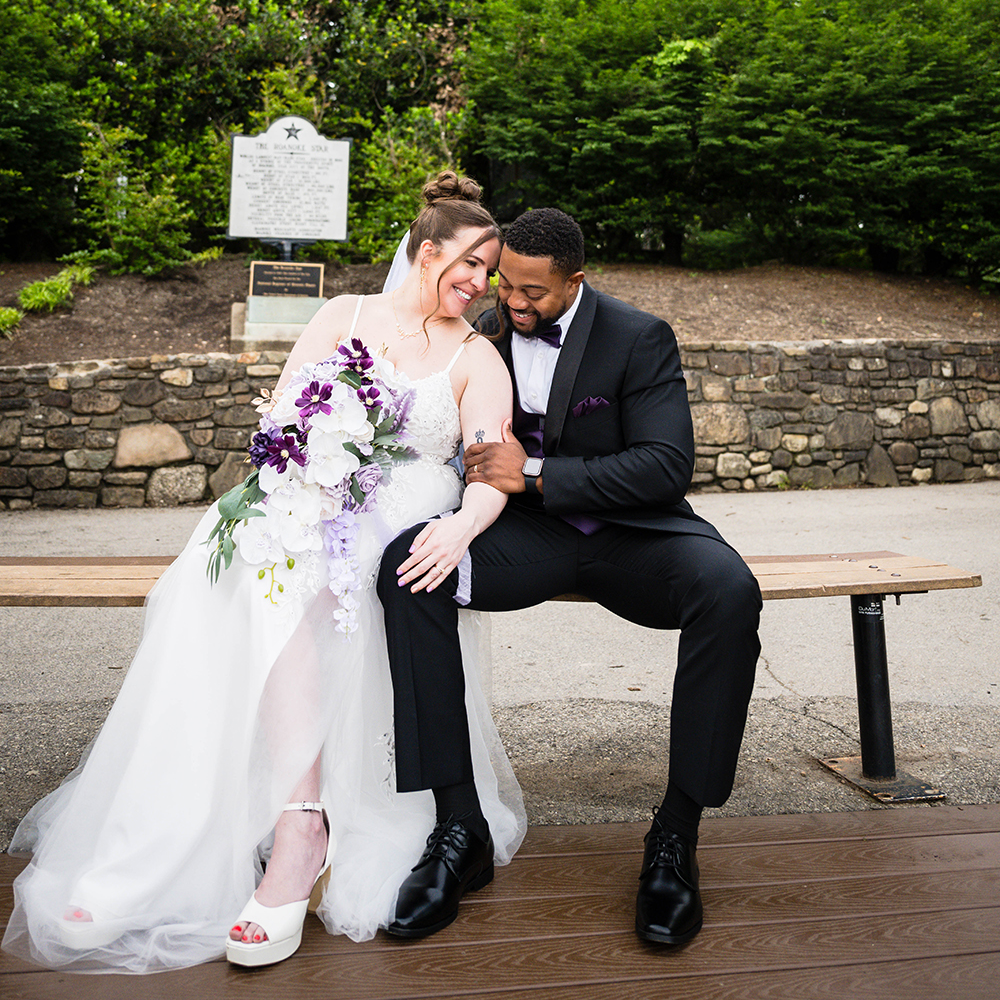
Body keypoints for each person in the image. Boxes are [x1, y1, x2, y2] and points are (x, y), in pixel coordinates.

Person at [2, 173, 525, 974]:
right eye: (470, 263)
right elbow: (286, 414)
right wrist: (309, 472)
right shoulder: (341, 316)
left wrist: (460, 528)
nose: (480, 283)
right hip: (311, 489)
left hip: (405, 514)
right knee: (227, 574)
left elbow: (491, 471)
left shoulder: (477, 357)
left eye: (487, 271)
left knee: (312, 583)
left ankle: (301, 829)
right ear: (425, 253)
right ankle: (166, 825)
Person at [378, 207, 762, 948]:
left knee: (729, 590)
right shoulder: (482, 332)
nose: (514, 305)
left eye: (533, 294)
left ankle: (676, 839)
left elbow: (663, 465)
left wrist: (539, 472)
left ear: (575, 281)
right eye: (505, 287)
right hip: (527, 540)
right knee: (407, 569)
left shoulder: (637, 336)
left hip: (634, 535)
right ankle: (460, 832)